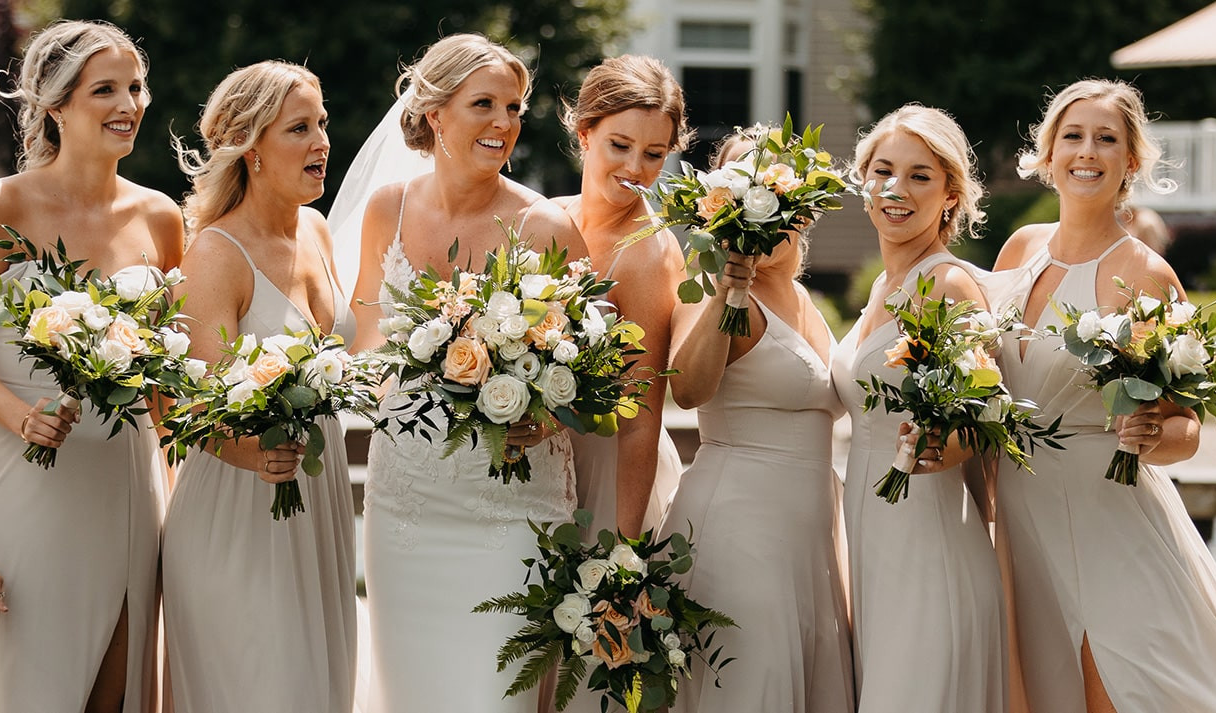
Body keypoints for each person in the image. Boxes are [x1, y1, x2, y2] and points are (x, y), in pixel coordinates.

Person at [988, 78, 1216, 713]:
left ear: (1130, 161)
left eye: (1106, 139)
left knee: (1124, 687)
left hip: (1106, 515)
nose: (1087, 152)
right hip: (1018, 511)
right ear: (1047, 153)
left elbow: (1186, 430)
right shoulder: (1018, 250)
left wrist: (1153, 436)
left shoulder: (1143, 272)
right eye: (1072, 136)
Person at [0, 20, 181, 713]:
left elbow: (168, 377)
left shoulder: (160, 217)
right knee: (23, 686)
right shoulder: (2, 205)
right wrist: (23, 416)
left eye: (135, 86)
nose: (129, 104)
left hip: (125, 480)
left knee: (112, 695)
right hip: (20, 482)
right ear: (57, 106)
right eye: (106, 90)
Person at [339, 33, 590, 713]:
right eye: (485, 104)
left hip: (507, 502)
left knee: (493, 695)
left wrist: (544, 414)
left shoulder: (545, 226)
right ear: (435, 113)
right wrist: (378, 386)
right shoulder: (387, 207)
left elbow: (592, 372)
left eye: (514, 107)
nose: (505, 123)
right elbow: (366, 334)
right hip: (406, 500)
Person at [161, 60, 357, 713]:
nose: (322, 141)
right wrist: (250, 453)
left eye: (322, 122)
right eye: (300, 127)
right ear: (250, 148)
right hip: (240, 508)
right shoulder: (217, 253)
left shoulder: (318, 230)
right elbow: (187, 405)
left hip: (317, 500)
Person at [656, 124, 855, 712]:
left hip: (809, 537)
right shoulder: (710, 289)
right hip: (740, 532)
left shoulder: (807, 302)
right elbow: (687, 392)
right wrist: (726, 294)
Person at [827, 104, 1008, 713]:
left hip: (928, 528)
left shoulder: (950, 284)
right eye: (882, 171)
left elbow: (985, 414)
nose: (895, 189)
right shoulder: (881, 287)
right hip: (870, 532)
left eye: (920, 176)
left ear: (951, 194)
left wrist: (938, 448)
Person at [549, 54, 688, 538]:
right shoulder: (548, 217)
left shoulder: (648, 255)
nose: (635, 168)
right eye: (620, 145)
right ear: (585, 133)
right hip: (541, 464)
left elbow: (640, 420)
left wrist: (624, 552)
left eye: (653, 154)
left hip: (609, 477)